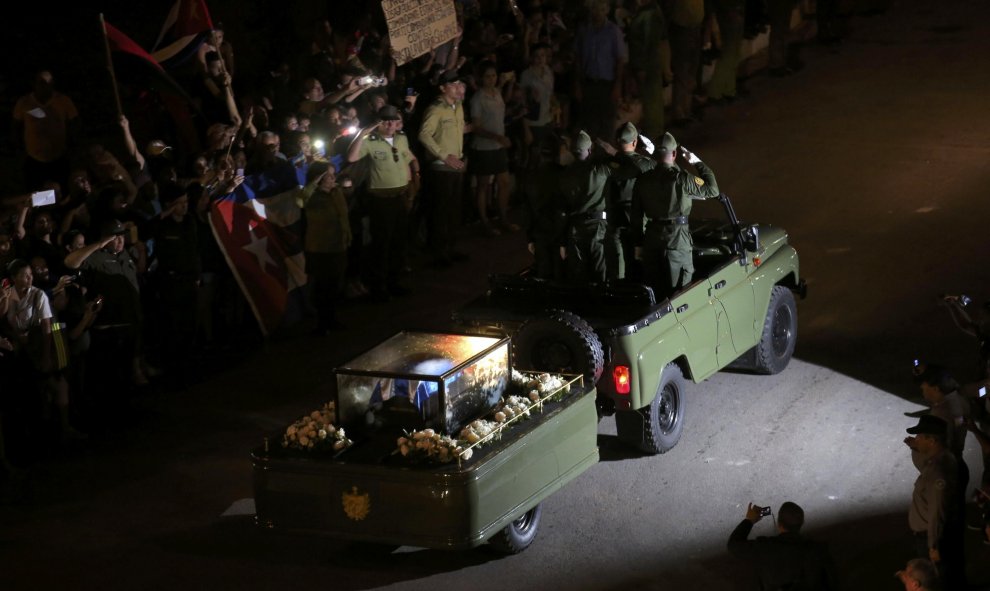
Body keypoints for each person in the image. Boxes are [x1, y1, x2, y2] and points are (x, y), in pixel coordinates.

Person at [631, 132, 719, 294]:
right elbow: (712, 190)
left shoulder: (643, 180)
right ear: (674, 154)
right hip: (677, 242)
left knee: (655, 293)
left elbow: (636, 216)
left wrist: (639, 243)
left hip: (652, 241)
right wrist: (695, 161)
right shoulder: (682, 179)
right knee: (679, 294)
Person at [346, 105, 418, 301]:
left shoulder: (402, 138)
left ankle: (394, 282)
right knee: (381, 244)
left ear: (397, 123)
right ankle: (379, 286)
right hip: (380, 200)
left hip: (399, 196)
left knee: (398, 241)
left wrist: (411, 189)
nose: (389, 125)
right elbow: (351, 157)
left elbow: (405, 161)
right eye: (385, 121)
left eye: (392, 121)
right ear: (378, 123)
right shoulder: (371, 141)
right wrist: (362, 133)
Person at [904, 414, 965, 590]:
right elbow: (924, 468)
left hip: (930, 538)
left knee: (936, 582)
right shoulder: (938, 460)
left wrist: (933, 545)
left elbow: (937, 511)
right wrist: (915, 448)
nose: (916, 440)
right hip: (929, 536)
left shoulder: (939, 471)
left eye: (919, 437)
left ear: (931, 440)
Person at [418, 69, 469, 267]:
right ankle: (438, 252)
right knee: (440, 210)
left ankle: (449, 247)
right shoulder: (436, 108)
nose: (458, 87)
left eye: (459, 84)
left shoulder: (458, 106)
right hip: (441, 167)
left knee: (453, 210)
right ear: (442, 88)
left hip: (456, 165)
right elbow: (424, 134)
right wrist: (443, 155)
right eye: (453, 84)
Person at [554, 130, 619, 283]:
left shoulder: (564, 175)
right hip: (598, 228)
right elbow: (630, 166)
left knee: (579, 277)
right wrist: (612, 151)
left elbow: (561, 211)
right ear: (590, 150)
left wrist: (562, 241)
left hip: (575, 228)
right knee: (600, 275)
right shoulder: (601, 170)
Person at [727, 501, 838, 590]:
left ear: (779, 524)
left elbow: (733, 545)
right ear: (802, 523)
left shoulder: (764, 548)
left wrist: (749, 521)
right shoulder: (818, 550)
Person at [468, 62, 516, 236]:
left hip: (498, 146)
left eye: (494, 75)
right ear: (481, 78)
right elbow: (477, 127)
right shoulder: (478, 99)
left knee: (504, 182)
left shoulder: (497, 93)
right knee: (483, 185)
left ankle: (502, 217)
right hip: (484, 147)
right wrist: (498, 137)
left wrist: (508, 83)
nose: (491, 79)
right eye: (488, 76)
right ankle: (485, 222)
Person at [604, 123, 656, 281]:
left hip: (613, 221)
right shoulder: (646, 163)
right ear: (634, 143)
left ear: (618, 142)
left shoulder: (607, 164)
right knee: (640, 266)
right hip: (638, 222)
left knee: (617, 269)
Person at [12, 70, 79, 190]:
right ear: (34, 84)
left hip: (59, 157)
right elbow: (16, 127)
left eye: (49, 82)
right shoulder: (24, 103)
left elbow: (74, 124)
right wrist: (19, 151)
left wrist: (72, 148)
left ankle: (59, 207)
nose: (46, 86)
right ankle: (46, 208)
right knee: (37, 195)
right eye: (42, 82)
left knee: (62, 190)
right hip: (34, 158)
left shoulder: (63, 101)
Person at [573, 0, 626, 142]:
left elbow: (620, 60)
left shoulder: (613, 31)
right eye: (595, 9)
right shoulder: (584, 30)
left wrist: (617, 86)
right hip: (589, 83)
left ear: (607, 10)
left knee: (607, 125)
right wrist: (578, 84)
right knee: (590, 123)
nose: (598, 12)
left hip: (607, 84)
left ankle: (605, 159)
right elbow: (578, 58)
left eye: (601, 9)